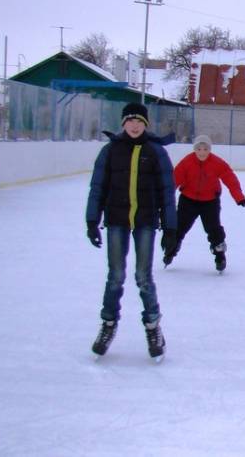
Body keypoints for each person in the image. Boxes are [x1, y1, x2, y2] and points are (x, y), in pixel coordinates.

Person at [85, 102, 177, 360]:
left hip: (146, 222)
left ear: (146, 124)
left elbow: (167, 193)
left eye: (139, 121)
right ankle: (108, 325)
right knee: (115, 276)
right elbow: (97, 188)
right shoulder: (110, 151)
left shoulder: (156, 152)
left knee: (143, 277)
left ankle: (153, 327)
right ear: (123, 123)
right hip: (116, 221)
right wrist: (93, 220)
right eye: (130, 121)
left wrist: (170, 227)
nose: (135, 125)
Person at [163, 134, 245, 272]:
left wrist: (239, 197)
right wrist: (164, 200)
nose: (202, 152)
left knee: (214, 229)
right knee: (179, 227)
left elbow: (230, 178)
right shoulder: (187, 162)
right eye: (199, 149)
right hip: (188, 200)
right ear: (194, 149)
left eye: (205, 149)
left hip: (210, 202)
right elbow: (174, 180)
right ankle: (171, 250)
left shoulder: (217, 163)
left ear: (209, 150)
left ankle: (220, 255)